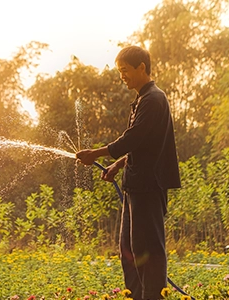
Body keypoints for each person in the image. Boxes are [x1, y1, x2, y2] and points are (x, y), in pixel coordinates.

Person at [76, 45, 181, 300]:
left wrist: (96, 154)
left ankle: (152, 296)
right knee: (129, 250)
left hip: (148, 186)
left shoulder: (154, 99)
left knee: (149, 251)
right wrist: (118, 164)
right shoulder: (142, 100)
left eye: (125, 70)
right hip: (135, 186)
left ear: (141, 68)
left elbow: (131, 138)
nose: (122, 75)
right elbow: (141, 144)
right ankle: (134, 296)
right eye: (119, 71)